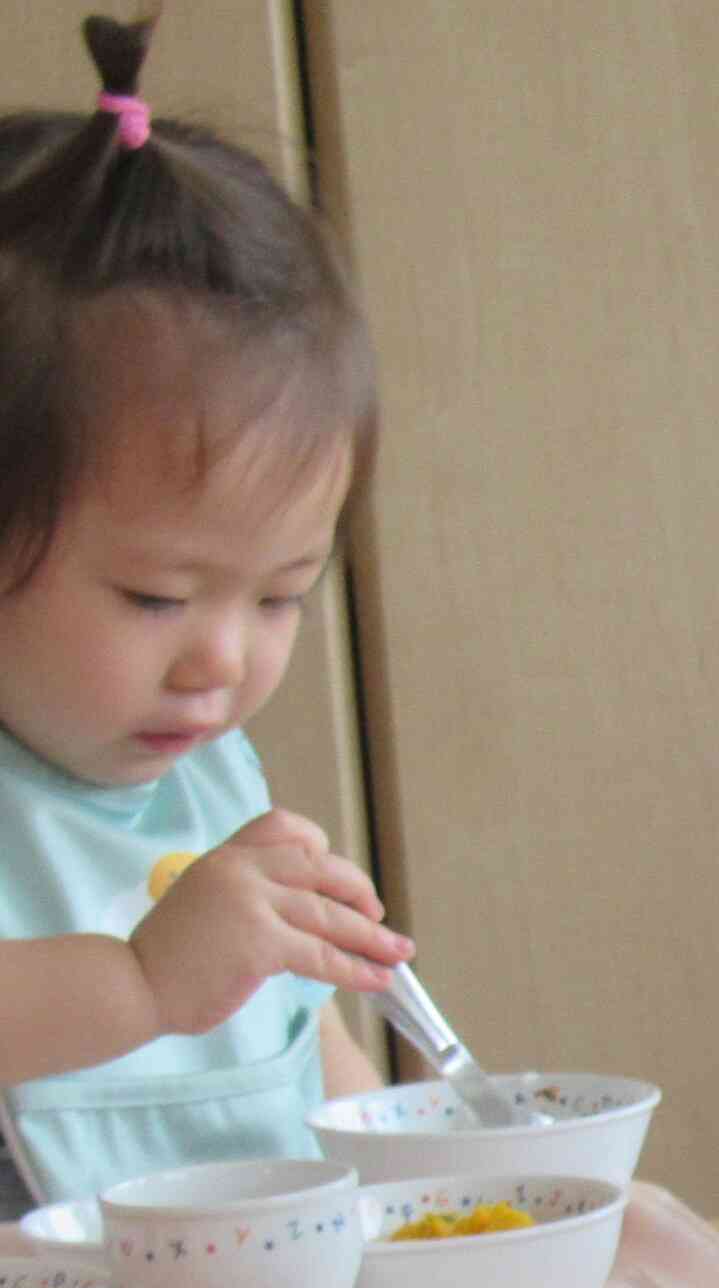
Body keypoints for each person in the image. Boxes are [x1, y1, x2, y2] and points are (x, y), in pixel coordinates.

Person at [0, 12, 406, 1216]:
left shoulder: (207, 780)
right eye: (155, 598)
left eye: (282, 595)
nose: (220, 663)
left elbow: (298, 1058)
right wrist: (138, 982)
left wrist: (398, 1170)